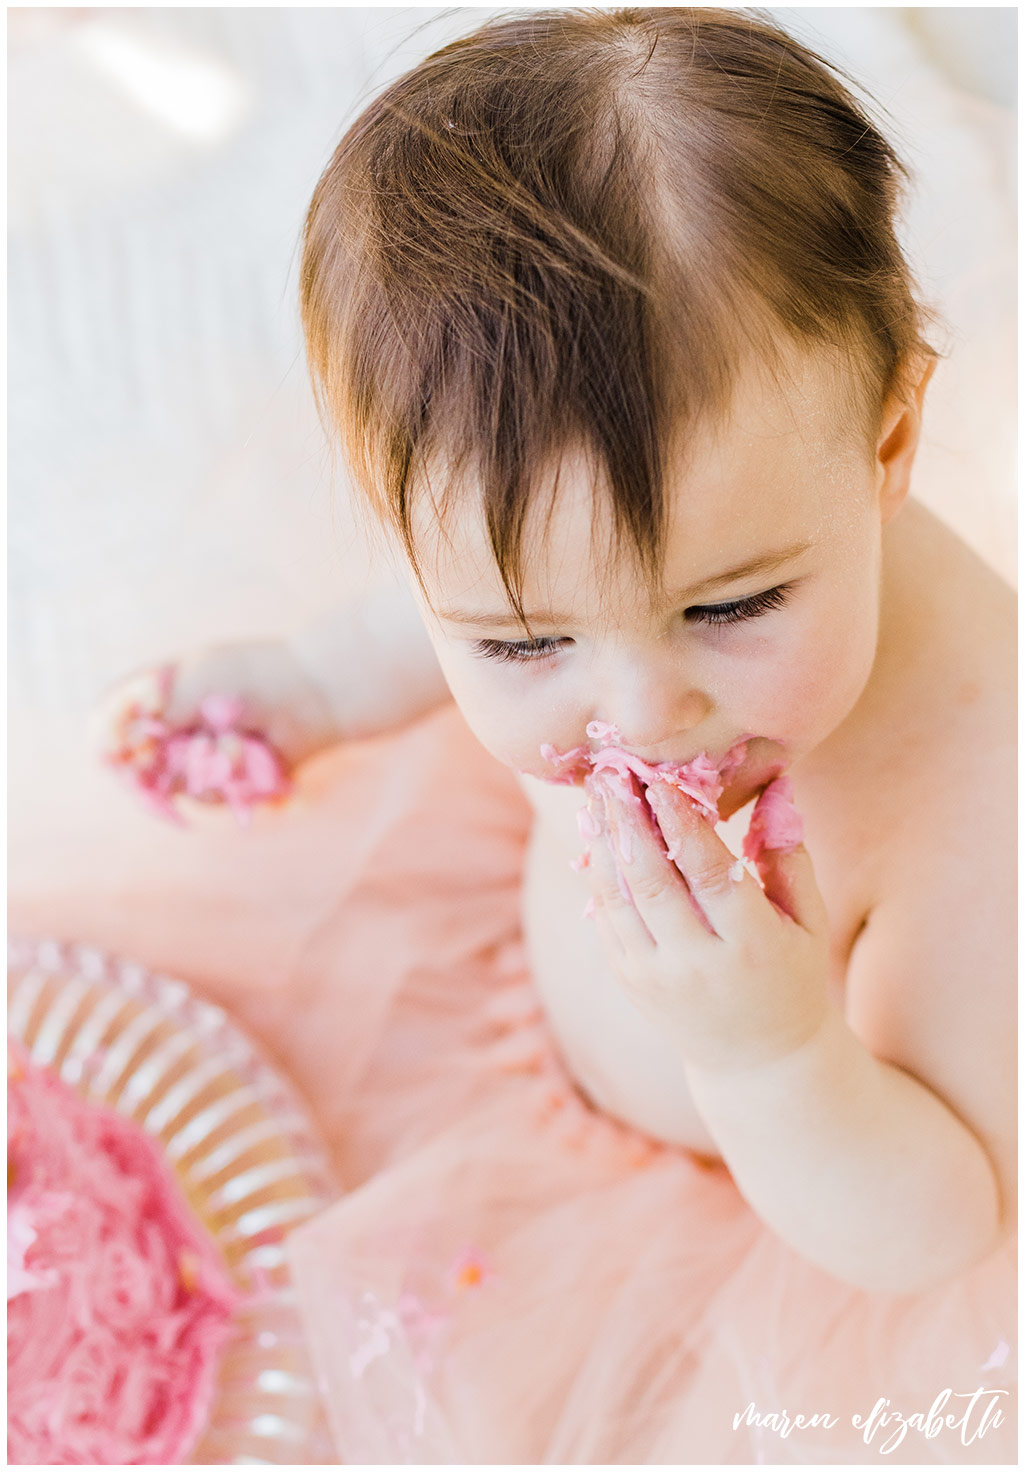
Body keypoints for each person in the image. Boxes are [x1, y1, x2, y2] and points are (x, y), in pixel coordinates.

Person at [99, 8, 1016, 1462]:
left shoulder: (979, 780)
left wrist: (774, 1053)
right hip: (514, 1019)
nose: (642, 713)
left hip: (757, 1216)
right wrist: (309, 688)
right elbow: (429, 617)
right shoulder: (567, 582)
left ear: (890, 442)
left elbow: (948, 1219)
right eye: (522, 642)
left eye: (735, 606)